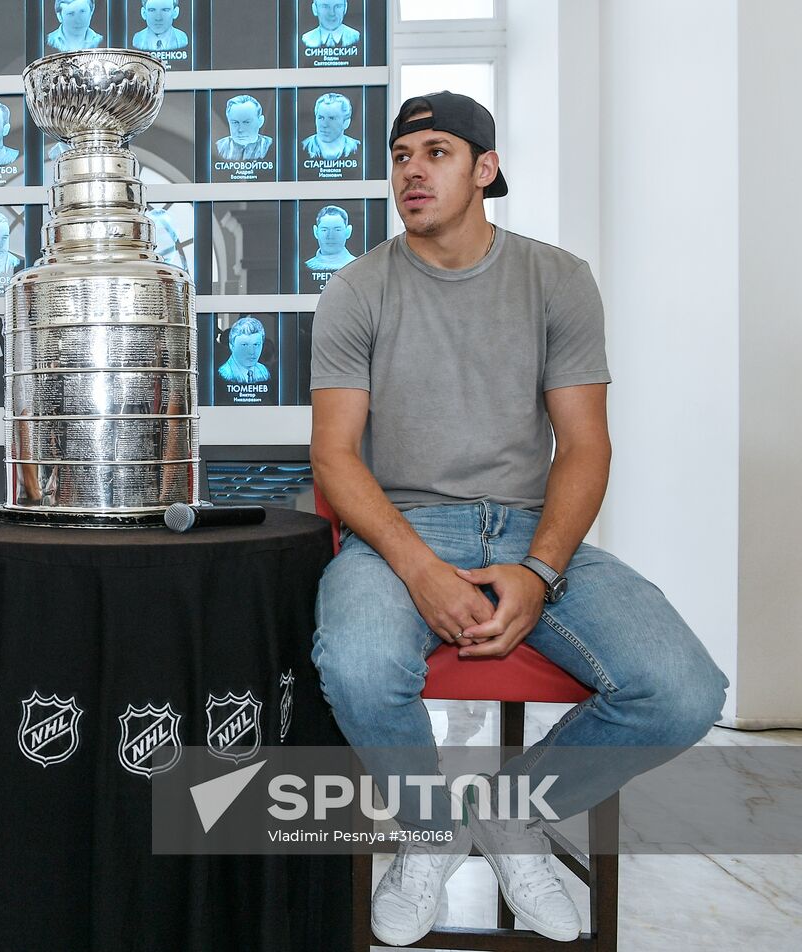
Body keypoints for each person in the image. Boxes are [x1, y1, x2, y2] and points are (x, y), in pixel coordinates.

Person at [309, 92, 727, 947]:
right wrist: (421, 570)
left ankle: (509, 816)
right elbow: (336, 458)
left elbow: (583, 445)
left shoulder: (557, 278)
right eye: (401, 156)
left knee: (685, 692)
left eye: (437, 152)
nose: (413, 171)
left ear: (485, 169)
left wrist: (539, 573)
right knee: (354, 665)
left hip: (531, 532)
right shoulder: (357, 289)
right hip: (404, 530)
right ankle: (428, 829)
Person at [301, 92, 360, 160]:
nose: (324, 125)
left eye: (332, 118)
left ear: (346, 123)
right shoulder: (302, 147)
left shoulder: (358, 147)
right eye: (320, 118)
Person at [214, 95, 273, 161]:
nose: (240, 129)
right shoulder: (219, 147)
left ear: (260, 121)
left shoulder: (271, 146)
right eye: (235, 122)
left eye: (246, 122)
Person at [216, 316, 270, 383]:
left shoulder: (264, 371)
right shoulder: (223, 375)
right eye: (244, 345)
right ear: (231, 346)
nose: (251, 352)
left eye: (256, 344)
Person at [304, 204, 356, 272]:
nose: (330, 236)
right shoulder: (306, 266)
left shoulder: (359, 266)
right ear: (316, 231)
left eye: (337, 230)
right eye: (324, 230)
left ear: (348, 231)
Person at [147, 207, 190, 273]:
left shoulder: (182, 272)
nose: (155, 241)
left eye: (161, 232)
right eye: (151, 233)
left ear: (175, 235)